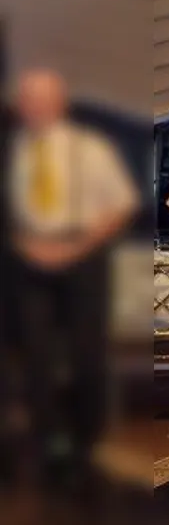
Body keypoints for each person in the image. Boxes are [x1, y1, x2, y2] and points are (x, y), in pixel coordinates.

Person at [7, 68, 139, 485]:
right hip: (27, 256)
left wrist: (73, 247)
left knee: (87, 352)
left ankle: (87, 441)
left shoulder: (91, 148)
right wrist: (25, 245)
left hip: (84, 255)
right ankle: (49, 441)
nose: (36, 107)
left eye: (44, 99)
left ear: (60, 103)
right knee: (35, 353)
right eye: (29, 99)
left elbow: (121, 205)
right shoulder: (14, 149)